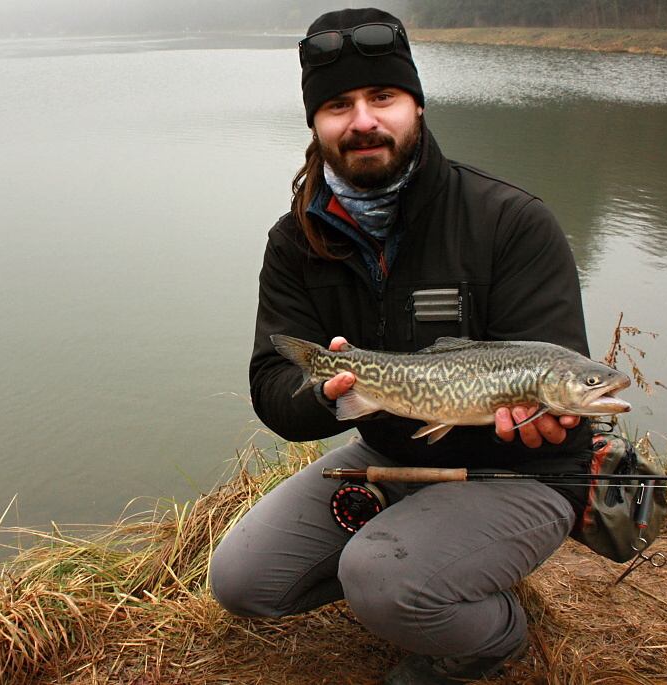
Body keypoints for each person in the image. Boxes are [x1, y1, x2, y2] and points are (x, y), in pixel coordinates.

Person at [209, 7, 595, 685]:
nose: (362, 120)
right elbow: (273, 385)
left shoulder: (511, 220)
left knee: (377, 576)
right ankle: (421, 575)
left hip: (524, 475)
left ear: (416, 104)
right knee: (240, 580)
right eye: (338, 105)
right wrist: (329, 393)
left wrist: (550, 421)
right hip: (391, 454)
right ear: (315, 123)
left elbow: (566, 376)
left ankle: (493, 634)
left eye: (382, 97)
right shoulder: (295, 241)